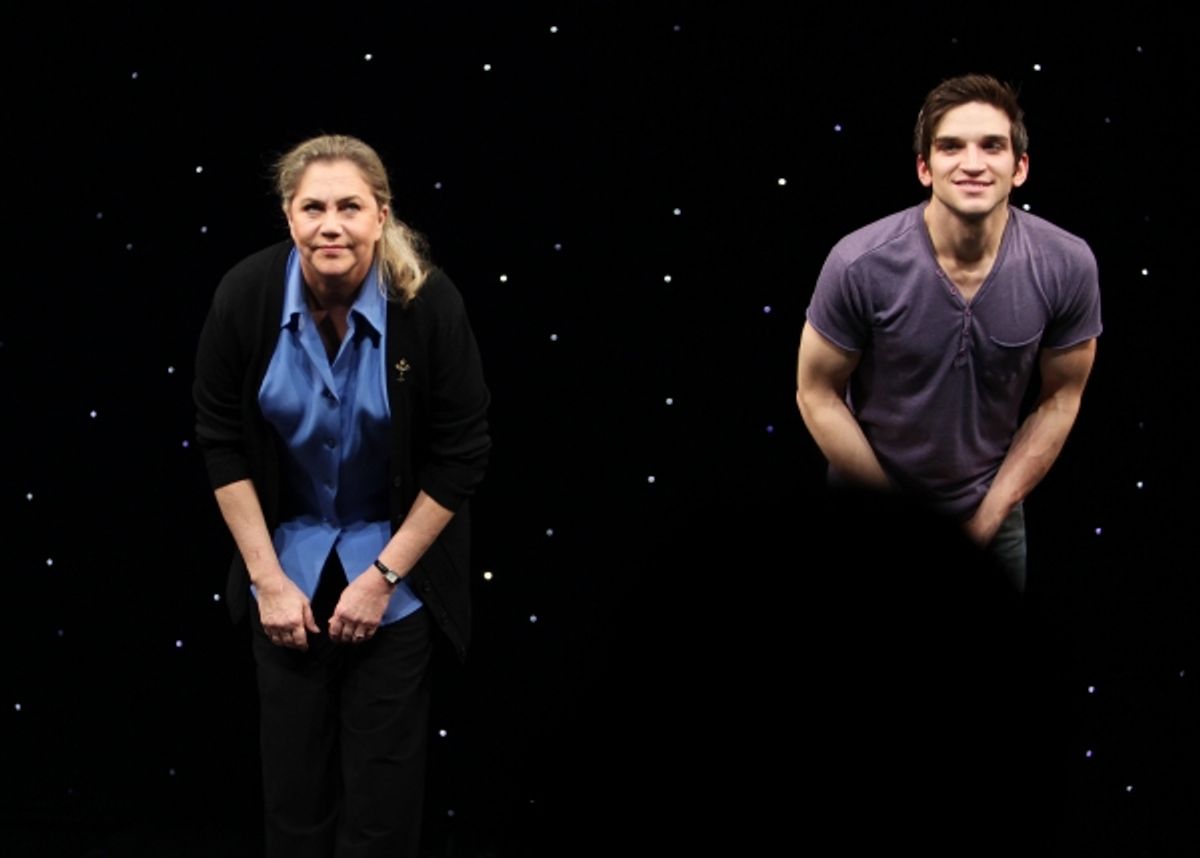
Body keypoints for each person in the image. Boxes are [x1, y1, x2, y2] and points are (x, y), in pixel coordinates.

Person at [193, 134, 490, 857]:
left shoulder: (429, 302)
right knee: (293, 798)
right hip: (284, 572)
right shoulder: (245, 294)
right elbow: (220, 439)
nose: (332, 224)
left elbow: (461, 453)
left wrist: (383, 579)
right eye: (313, 207)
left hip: (397, 575)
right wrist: (267, 580)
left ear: (381, 216)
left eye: (350, 207)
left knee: (383, 809)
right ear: (289, 218)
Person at [795, 74, 1101, 591]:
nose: (973, 163)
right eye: (951, 146)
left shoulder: (1066, 264)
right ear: (924, 167)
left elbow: (1060, 399)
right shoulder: (858, 263)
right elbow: (816, 393)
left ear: (1020, 167)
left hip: (991, 515)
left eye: (993, 146)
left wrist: (986, 521)